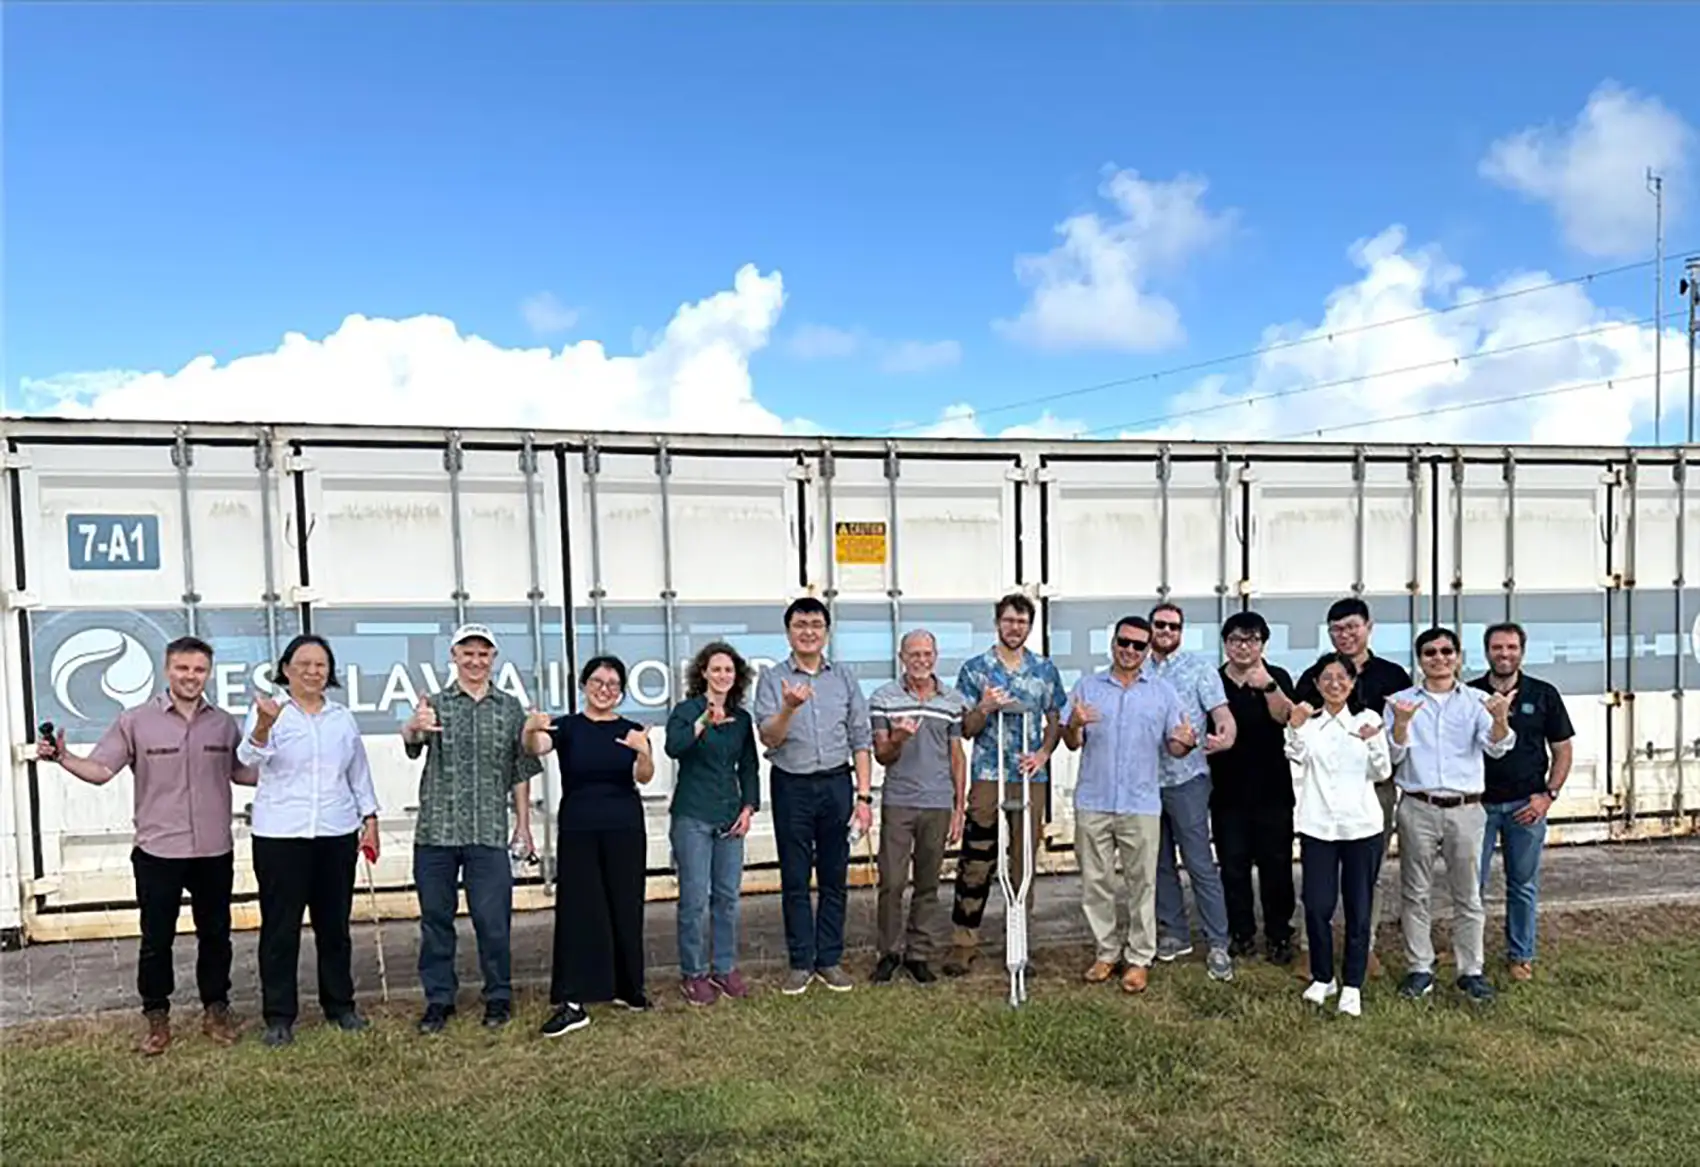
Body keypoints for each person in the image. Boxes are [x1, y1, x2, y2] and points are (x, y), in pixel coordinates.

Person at [37, 635, 255, 1055]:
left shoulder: (224, 724)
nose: (191, 676)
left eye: (199, 670)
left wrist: (293, 766)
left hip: (213, 850)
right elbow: (101, 770)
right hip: (159, 851)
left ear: (208, 673)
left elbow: (243, 773)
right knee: (157, 939)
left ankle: (216, 1009)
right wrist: (63, 757)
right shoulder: (136, 721)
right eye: (183, 668)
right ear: (167, 670)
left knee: (216, 935)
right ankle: (157, 1017)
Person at [238, 634, 380, 1049]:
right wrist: (264, 725)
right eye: (304, 664)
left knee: (334, 927)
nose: (313, 672)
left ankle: (340, 1006)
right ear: (286, 669)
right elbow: (248, 759)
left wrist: (369, 818)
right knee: (280, 930)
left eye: (321, 665)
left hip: (335, 833)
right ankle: (279, 1017)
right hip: (281, 835)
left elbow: (358, 773)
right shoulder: (269, 711)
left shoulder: (342, 718)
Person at [400, 623, 541, 1034]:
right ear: (454, 656)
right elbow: (412, 745)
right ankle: (439, 1000)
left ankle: (498, 995)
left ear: (493, 658)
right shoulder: (434, 705)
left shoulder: (509, 708)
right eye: (468, 653)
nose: (475, 661)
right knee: (436, 921)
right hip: (436, 833)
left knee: (493, 921)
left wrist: (523, 826)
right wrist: (414, 726)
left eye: (483, 654)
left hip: (488, 832)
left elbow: (520, 771)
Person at [1061, 616, 1192, 994]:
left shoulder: (1163, 693)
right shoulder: (1087, 687)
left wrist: (1186, 742)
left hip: (1140, 802)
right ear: (1113, 642)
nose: (1130, 650)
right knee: (1095, 883)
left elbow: (1175, 746)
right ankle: (1106, 952)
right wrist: (1074, 723)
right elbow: (1072, 742)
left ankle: (1139, 958)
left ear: (1148, 650)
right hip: (1094, 799)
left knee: (1142, 885)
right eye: (1124, 642)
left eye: (1138, 645)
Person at [526, 655, 655, 1036]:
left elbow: (644, 777)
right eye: (597, 682)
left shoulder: (631, 729)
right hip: (579, 828)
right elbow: (536, 747)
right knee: (579, 911)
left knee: (626, 905)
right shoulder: (567, 727)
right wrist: (530, 728)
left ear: (621, 692)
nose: (604, 690)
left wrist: (644, 751)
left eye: (613, 685)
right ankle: (573, 1001)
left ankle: (629, 989)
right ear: (584, 685)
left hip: (625, 827)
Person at [751, 597, 874, 995]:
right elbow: (769, 737)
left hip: (837, 783)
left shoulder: (844, 678)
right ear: (788, 632)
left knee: (835, 876)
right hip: (792, 785)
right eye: (800, 625)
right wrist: (789, 708)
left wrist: (864, 797)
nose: (808, 632)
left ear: (826, 631)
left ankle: (829, 959)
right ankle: (801, 962)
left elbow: (861, 738)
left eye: (816, 625)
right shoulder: (772, 679)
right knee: (795, 876)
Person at [1388, 626, 1515, 1004]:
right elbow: (1391, 756)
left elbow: (1497, 748)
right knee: (1415, 891)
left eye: (1447, 651)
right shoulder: (1400, 702)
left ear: (1458, 657)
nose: (1439, 658)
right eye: (1430, 652)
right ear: (1420, 659)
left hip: (1466, 809)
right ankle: (1419, 968)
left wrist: (1500, 719)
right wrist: (1401, 723)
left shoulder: (1478, 701)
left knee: (1468, 893)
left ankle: (1470, 971)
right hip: (1417, 805)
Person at [943, 592, 1068, 978]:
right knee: (977, 858)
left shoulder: (1044, 669)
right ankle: (964, 942)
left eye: (1022, 622)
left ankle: (1018, 943)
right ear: (998, 622)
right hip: (988, 774)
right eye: (1009, 620)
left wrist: (1044, 753)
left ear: (1030, 626)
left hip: (1029, 777)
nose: (1015, 628)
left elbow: (1055, 719)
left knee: (1022, 861)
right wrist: (984, 707)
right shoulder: (976, 669)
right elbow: (966, 729)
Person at [1292, 597, 1413, 977]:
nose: (1344, 635)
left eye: (1351, 627)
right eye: (1336, 629)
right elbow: (1297, 728)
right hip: (1323, 789)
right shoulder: (1314, 676)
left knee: (1367, 874)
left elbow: (1403, 732)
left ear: (1368, 627)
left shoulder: (1393, 676)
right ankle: (1311, 948)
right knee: (1318, 876)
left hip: (1373, 787)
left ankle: (1366, 945)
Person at [1285, 653, 1392, 1017]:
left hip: (1361, 826)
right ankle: (1323, 976)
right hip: (1317, 826)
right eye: (1327, 677)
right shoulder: (1309, 722)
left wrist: (1372, 742)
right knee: (1317, 904)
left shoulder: (1369, 719)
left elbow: (1381, 772)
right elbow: (1295, 755)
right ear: (1316, 683)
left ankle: (1352, 984)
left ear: (1353, 681)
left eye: (1342, 677)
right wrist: (1294, 726)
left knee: (1359, 907)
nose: (1335, 684)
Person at [1468, 622, 1574, 983]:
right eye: (1497, 647)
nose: (1504, 654)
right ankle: (1471, 956)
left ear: (1522, 652)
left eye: (1511, 647)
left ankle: (1521, 955)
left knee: (1523, 885)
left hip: (1525, 807)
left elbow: (1562, 750)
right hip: (1478, 806)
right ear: (1487, 652)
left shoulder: (1543, 694)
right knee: (1471, 886)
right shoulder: (1470, 695)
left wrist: (1549, 795)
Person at [867, 629, 969, 985]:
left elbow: (957, 756)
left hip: (938, 802)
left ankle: (918, 954)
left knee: (928, 883)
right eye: (914, 654)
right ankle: (888, 953)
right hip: (899, 801)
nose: (921, 660)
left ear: (935, 657)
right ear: (902, 658)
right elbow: (882, 755)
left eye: (927, 654)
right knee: (892, 882)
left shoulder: (952, 700)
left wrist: (959, 807)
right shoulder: (883, 698)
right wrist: (898, 738)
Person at [663, 640, 760, 1006]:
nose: (722, 675)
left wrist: (748, 808)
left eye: (729, 670)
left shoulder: (742, 719)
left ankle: (723, 967)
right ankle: (693, 973)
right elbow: (674, 747)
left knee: (727, 897)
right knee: (693, 899)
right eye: (716, 669)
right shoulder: (687, 711)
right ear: (703, 672)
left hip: (729, 816)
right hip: (693, 815)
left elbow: (748, 766)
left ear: (737, 676)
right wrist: (704, 721)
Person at [1146, 602, 1239, 983]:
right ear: (1150, 628)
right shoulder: (1136, 668)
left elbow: (1222, 715)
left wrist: (1226, 736)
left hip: (1188, 780)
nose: (1166, 631)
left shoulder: (1199, 668)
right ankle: (1175, 933)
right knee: (1159, 863)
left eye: (1174, 626)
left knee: (1199, 862)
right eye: (1160, 624)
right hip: (1144, 784)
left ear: (1181, 632)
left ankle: (1218, 942)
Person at [1208, 611, 1299, 964]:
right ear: (1225, 644)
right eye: (1235, 640)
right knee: (1233, 866)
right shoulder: (1214, 681)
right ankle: (1241, 933)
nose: (1243, 647)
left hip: (1273, 791)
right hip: (1227, 792)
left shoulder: (1277, 677)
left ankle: (1279, 934)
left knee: (1277, 866)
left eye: (1251, 640)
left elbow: (1287, 719)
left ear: (1262, 644)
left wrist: (1269, 687)